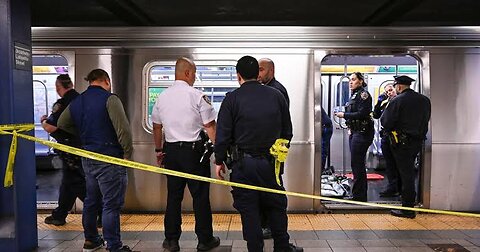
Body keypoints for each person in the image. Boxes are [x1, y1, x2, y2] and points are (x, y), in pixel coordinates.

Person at [215, 56, 303, 252]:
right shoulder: (277, 96)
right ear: (258, 74)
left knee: (249, 210)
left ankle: (255, 248)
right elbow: (287, 131)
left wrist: (219, 160)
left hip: (242, 165)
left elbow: (222, 134)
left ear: (238, 76)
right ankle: (282, 246)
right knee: (275, 205)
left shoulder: (231, 99)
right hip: (271, 164)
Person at [58, 69, 133, 252]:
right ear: (106, 80)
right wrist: (127, 154)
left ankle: (91, 241)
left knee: (91, 201)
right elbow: (123, 130)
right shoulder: (110, 99)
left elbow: (62, 123)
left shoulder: (77, 101)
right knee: (111, 204)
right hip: (110, 158)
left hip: (88, 158)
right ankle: (114, 246)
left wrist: (84, 135)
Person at [151, 57, 220, 252]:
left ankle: (171, 240)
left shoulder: (162, 97)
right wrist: (220, 154)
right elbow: (210, 127)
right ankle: (204, 240)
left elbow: (157, 127)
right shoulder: (197, 96)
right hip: (194, 154)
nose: (195, 77)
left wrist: (159, 151)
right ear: (188, 73)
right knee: (200, 197)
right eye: (195, 73)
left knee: (173, 197)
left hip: (171, 152)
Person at [41, 74, 102, 227]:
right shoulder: (81, 99)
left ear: (58, 87)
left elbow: (51, 126)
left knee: (76, 182)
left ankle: (100, 211)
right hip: (85, 146)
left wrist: (43, 121)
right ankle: (60, 214)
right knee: (70, 181)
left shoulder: (62, 104)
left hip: (70, 149)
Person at [381, 75, 431, 218]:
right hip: (416, 142)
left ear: (399, 86)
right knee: (409, 172)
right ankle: (409, 203)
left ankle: (407, 208)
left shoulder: (397, 100)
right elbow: (425, 121)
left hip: (401, 144)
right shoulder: (424, 100)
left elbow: (386, 121)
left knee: (405, 175)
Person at [257, 58, 290, 239]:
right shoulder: (266, 89)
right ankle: (266, 224)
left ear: (271, 70)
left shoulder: (276, 90)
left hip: (273, 152)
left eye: (262, 70)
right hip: (268, 152)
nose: (259, 73)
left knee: (274, 189)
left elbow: (279, 123)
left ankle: (272, 226)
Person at [334, 72, 374, 202]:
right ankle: (358, 194)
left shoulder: (363, 95)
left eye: (354, 80)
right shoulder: (354, 95)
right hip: (356, 132)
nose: (350, 82)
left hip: (362, 133)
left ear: (361, 81)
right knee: (356, 164)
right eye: (350, 80)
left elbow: (362, 113)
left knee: (358, 165)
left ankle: (359, 196)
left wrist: (344, 115)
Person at [373, 83, 401, 197]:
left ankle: (398, 187)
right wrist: (379, 102)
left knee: (397, 163)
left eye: (391, 90)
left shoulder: (399, 102)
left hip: (395, 137)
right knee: (389, 164)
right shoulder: (386, 104)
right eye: (387, 92)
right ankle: (392, 186)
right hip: (386, 137)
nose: (389, 93)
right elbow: (376, 115)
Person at [321, 107, 333, 172]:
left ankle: (320, 170)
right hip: (325, 126)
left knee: (322, 150)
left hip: (325, 127)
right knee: (323, 150)